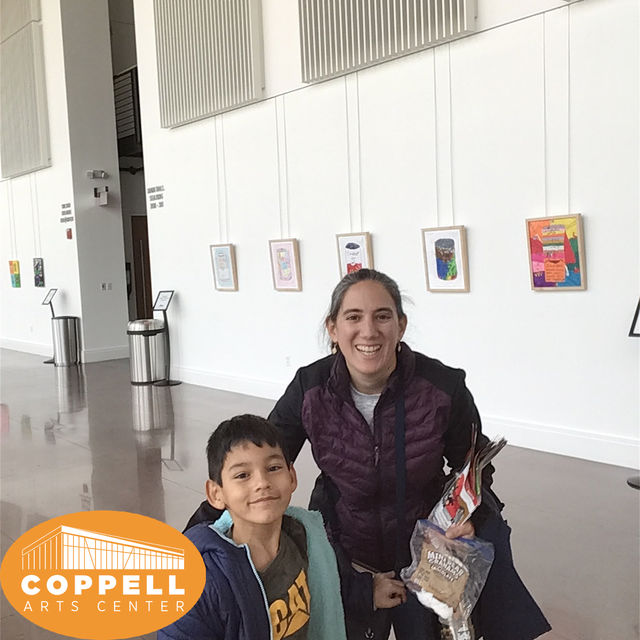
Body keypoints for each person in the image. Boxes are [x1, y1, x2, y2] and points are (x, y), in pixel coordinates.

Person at [187, 270, 551, 640]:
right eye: (353, 317)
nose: (369, 331)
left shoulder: (443, 386)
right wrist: (194, 538)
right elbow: (260, 461)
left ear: (401, 325)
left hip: (425, 551)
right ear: (333, 328)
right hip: (345, 552)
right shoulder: (310, 389)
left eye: (382, 316)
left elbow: (473, 469)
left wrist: (468, 518)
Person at [161, 414, 347, 640]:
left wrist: (369, 591)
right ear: (216, 494)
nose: (262, 483)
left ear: (292, 477)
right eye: (242, 475)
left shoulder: (304, 536)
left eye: (273, 468)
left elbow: (330, 583)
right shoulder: (201, 582)